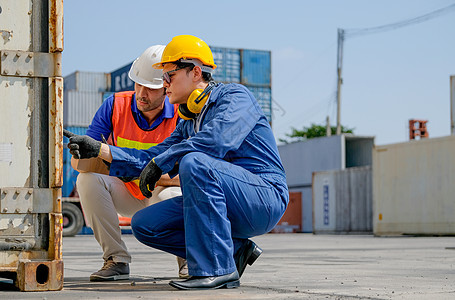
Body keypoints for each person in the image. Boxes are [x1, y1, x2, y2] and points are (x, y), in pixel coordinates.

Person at [66, 35, 289, 290]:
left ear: (195, 72)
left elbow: (216, 140)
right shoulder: (189, 122)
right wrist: (100, 150)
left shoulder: (235, 97)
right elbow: (152, 156)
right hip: (227, 203)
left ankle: (217, 269)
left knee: (195, 162)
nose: (164, 84)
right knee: (146, 225)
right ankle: (235, 249)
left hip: (262, 198)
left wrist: (161, 162)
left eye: (169, 76)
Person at [69, 45, 188, 282]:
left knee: (174, 195)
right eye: (138, 84)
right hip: (127, 193)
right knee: (87, 180)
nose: (142, 93)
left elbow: (189, 174)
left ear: (166, 87)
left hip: (161, 192)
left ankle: (189, 259)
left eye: (151, 88)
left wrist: (143, 173)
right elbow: (88, 160)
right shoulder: (114, 106)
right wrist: (81, 154)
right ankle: (116, 259)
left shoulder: (181, 114)